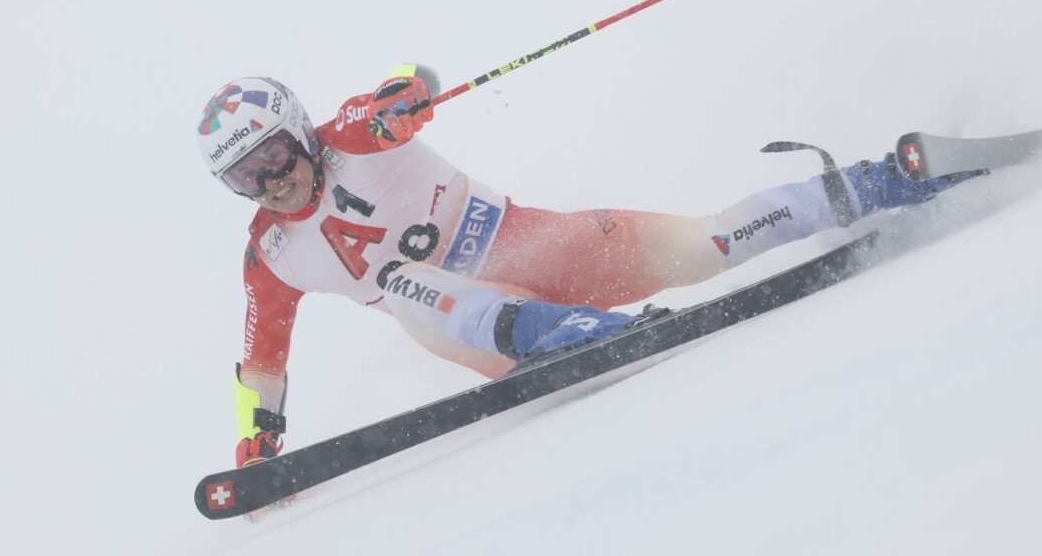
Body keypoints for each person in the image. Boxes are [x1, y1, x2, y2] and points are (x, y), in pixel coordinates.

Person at [197, 68, 979, 467]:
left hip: (539, 244)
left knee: (704, 245)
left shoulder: (349, 135)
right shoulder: (271, 256)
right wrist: (257, 441)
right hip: (482, 328)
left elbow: (403, 90)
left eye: (272, 155)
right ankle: (565, 334)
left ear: (297, 131)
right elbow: (261, 363)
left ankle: (886, 179)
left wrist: (409, 94)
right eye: (245, 178)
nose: (271, 181)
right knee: (404, 289)